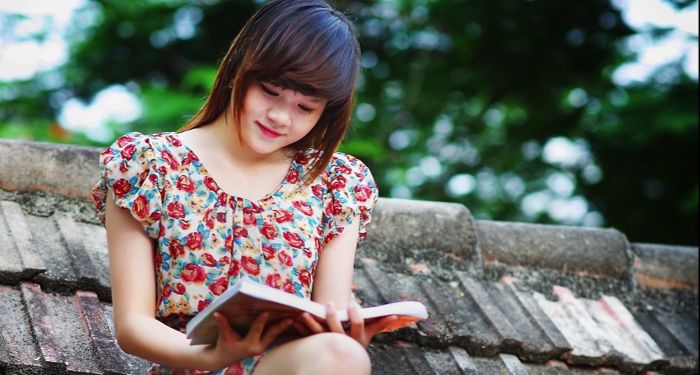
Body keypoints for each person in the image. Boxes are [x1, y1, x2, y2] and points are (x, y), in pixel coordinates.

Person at [91, 0, 398, 374]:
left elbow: (327, 318)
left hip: (289, 367)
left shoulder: (335, 183)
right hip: (191, 363)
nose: (281, 117)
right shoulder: (148, 165)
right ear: (240, 68)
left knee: (339, 353)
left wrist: (347, 340)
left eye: (305, 107)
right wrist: (213, 356)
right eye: (270, 91)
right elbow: (133, 327)